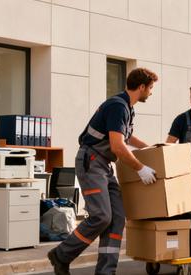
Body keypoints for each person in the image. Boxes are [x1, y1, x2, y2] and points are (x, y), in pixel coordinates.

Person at [47, 68, 159, 275]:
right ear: (142, 87)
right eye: (151, 88)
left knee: (117, 217)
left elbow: (128, 138)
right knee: (101, 216)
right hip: (92, 162)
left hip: (104, 165)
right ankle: (61, 255)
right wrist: (141, 168)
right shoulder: (118, 106)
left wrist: (152, 149)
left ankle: (106, 272)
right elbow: (118, 146)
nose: (151, 93)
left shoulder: (127, 107)